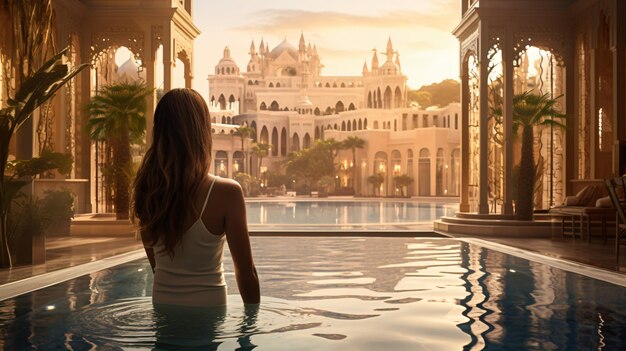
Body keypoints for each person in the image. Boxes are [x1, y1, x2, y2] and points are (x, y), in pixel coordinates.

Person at [132, 88, 260, 307]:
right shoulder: (227, 193)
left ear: (160, 132)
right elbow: (246, 274)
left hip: (164, 306)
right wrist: (250, 334)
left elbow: (157, 267)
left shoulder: (147, 190)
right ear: (202, 131)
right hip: (209, 309)